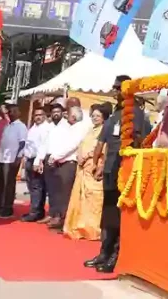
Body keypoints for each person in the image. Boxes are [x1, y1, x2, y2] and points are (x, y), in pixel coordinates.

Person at [86, 75, 152, 274]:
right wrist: (97, 163)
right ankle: (104, 252)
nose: (115, 91)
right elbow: (101, 142)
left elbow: (145, 142)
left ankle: (116, 255)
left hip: (127, 172)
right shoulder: (115, 116)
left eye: (119, 88)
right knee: (108, 215)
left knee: (121, 216)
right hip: (109, 172)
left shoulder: (138, 115)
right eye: (114, 88)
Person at [65, 103, 112, 240]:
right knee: (81, 198)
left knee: (93, 199)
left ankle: (92, 230)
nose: (95, 118)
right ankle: (80, 226)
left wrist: (86, 157)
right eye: (93, 116)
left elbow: (100, 149)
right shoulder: (91, 130)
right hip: (82, 167)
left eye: (98, 116)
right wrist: (79, 156)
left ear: (104, 118)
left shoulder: (104, 130)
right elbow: (82, 145)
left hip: (94, 166)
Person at [42, 100, 87, 230]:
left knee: (65, 194)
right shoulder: (71, 127)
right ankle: (60, 219)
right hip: (61, 162)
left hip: (68, 163)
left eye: (68, 113)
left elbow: (71, 146)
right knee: (60, 193)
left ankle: (65, 222)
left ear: (73, 116)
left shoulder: (79, 128)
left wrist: (55, 156)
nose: (66, 116)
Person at [0, 104, 27, 218]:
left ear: (18, 113)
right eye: (9, 111)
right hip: (1, 158)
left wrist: (18, 157)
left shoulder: (21, 126)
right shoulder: (7, 126)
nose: (11, 113)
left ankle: (7, 208)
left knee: (8, 184)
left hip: (11, 159)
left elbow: (23, 143)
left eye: (14, 111)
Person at [20, 106, 51, 222]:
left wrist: (38, 161)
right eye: (36, 115)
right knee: (32, 186)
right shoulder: (33, 127)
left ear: (44, 116)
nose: (37, 117)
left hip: (37, 160)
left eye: (40, 115)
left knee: (37, 187)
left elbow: (43, 146)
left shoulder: (45, 128)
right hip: (29, 159)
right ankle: (35, 210)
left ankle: (35, 212)